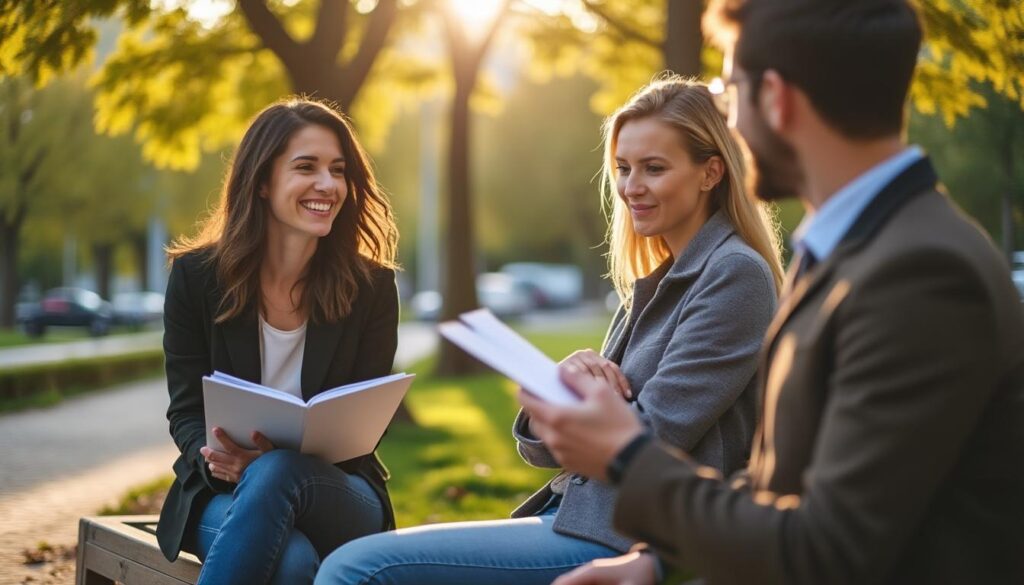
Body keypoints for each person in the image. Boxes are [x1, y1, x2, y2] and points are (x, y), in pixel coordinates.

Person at [520, 1, 1024, 584]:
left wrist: (626, 453)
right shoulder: (860, 248)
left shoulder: (921, 271)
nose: (729, 125)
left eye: (731, 95)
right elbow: (794, 488)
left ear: (777, 99)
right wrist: (658, 565)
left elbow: (830, 550)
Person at [314, 78, 784, 585]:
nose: (631, 187)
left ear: (710, 172)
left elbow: (649, 440)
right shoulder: (659, 278)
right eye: (623, 169)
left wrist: (577, 398)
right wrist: (562, 382)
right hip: (580, 517)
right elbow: (544, 452)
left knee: (357, 567)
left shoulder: (734, 275)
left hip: (628, 539)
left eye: (655, 168)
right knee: (324, 561)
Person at [155, 98, 402, 585]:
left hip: (340, 493)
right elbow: (185, 411)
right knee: (291, 563)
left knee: (278, 472)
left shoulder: (371, 287)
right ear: (263, 182)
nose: (328, 185)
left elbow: (367, 423)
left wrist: (271, 464)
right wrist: (219, 458)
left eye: (338, 170)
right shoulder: (196, 278)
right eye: (306, 167)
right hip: (224, 491)